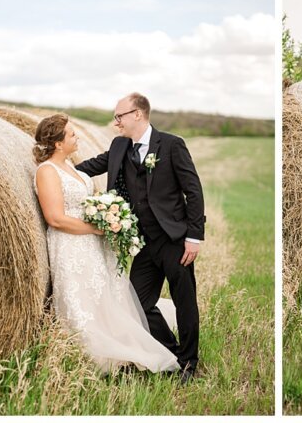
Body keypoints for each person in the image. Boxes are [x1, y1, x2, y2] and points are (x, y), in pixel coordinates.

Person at [33, 114, 179, 374]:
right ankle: (90, 353)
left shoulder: (72, 168)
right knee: (81, 298)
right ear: (57, 143)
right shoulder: (46, 172)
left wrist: (108, 218)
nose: (77, 137)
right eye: (72, 134)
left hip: (90, 242)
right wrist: (97, 229)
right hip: (70, 245)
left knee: (103, 294)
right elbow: (55, 218)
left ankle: (121, 345)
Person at [76, 93, 206, 384]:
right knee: (138, 303)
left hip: (175, 240)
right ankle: (172, 352)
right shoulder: (119, 145)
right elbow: (95, 165)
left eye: (119, 116)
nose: (116, 122)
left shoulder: (172, 145)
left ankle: (190, 363)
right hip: (143, 243)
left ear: (138, 114)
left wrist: (194, 237)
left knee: (184, 301)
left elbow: (193, 191)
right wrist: (59, 172)